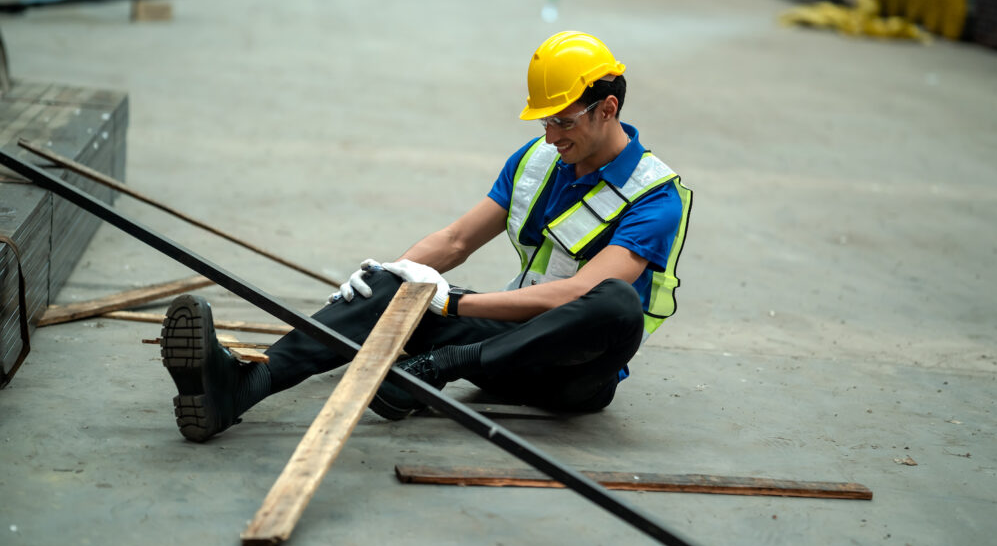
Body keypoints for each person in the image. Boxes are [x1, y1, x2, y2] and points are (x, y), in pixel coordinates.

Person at [159, 31, 693, 443]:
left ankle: (435, 369)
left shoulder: (654, 194)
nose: (552, 136)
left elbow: (582, 294)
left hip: (571, 372)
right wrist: (394, 275)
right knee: (399, 287)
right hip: (499, 348)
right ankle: (243, 387)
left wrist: (456, 305)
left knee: (616, 304)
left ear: (608, 108)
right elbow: (458, 239)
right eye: (545, 122)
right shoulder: (537, 161)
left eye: (565, 122)